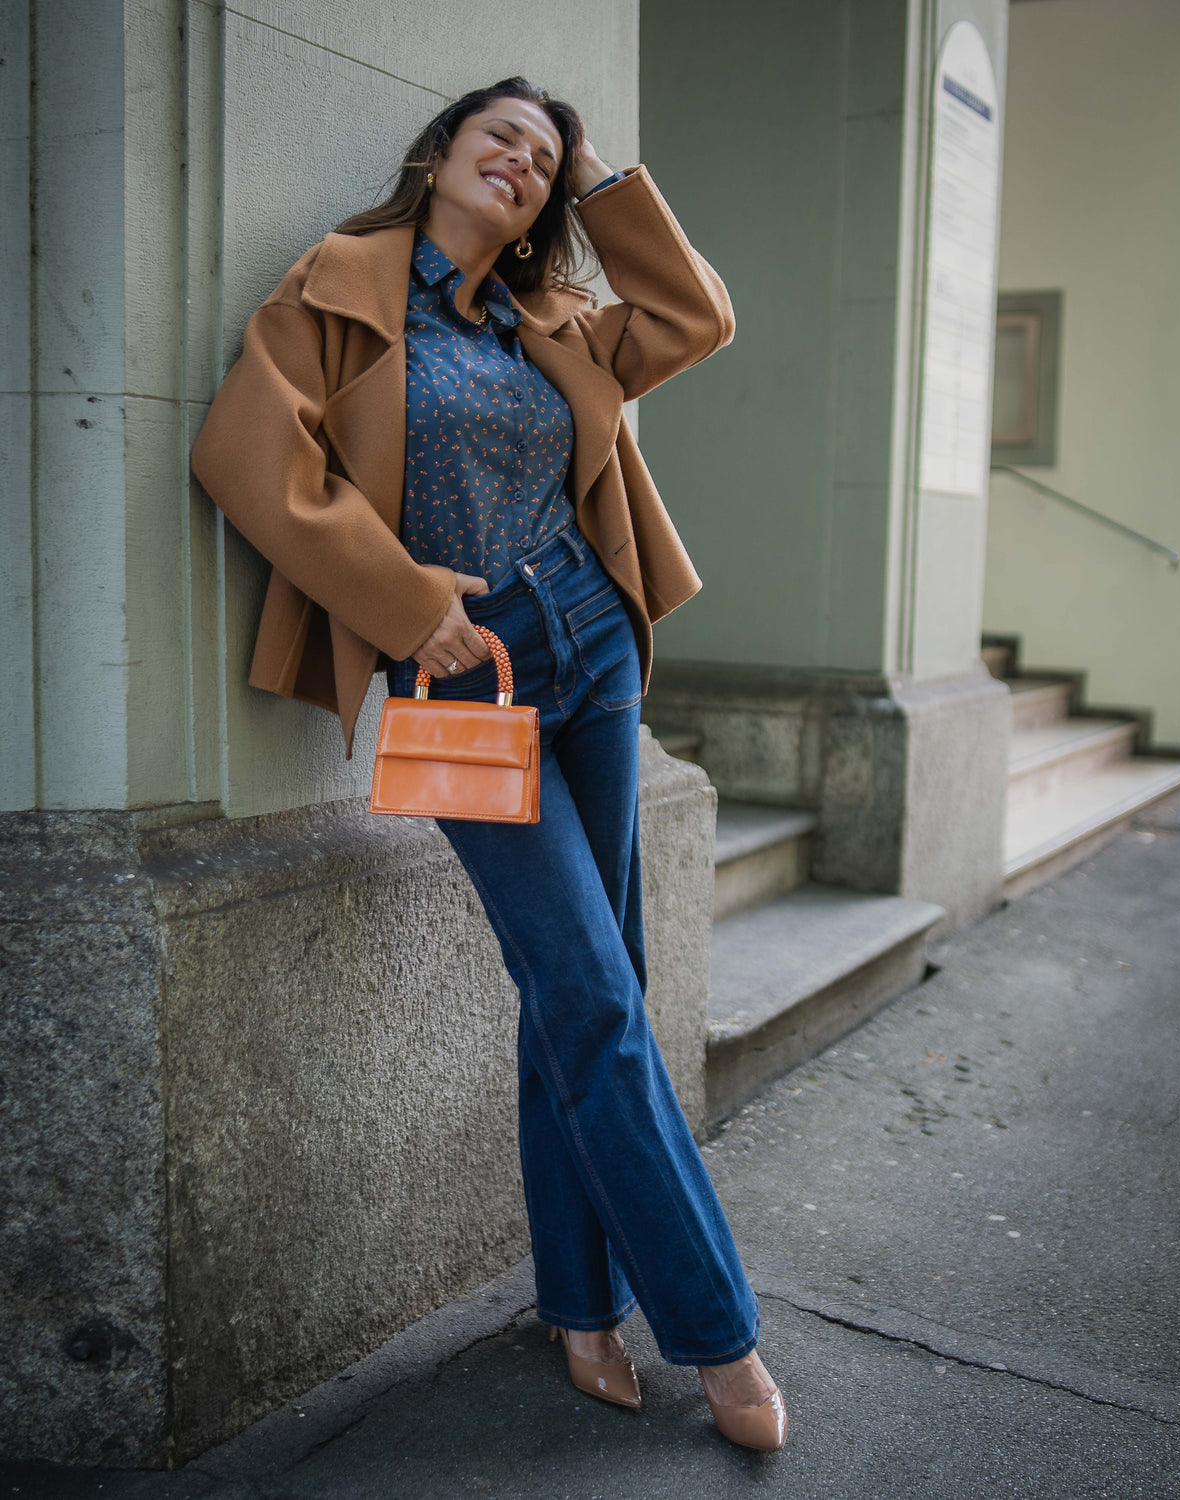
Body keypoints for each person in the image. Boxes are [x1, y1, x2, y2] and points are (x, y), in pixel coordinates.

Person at [190, 76, 787, 1453]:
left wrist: (597, 195)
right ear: (440, 153)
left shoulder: (553, 318)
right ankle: (721, 1334)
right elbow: (242, 453)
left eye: (546, 154)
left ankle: (579, 1304)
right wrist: (408, 605)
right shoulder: (337, 291)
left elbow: (696, 318)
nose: (524, 157)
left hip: (595, 647)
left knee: (585, 994)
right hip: (469, 668)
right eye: (501, 136)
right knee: (589, 995)